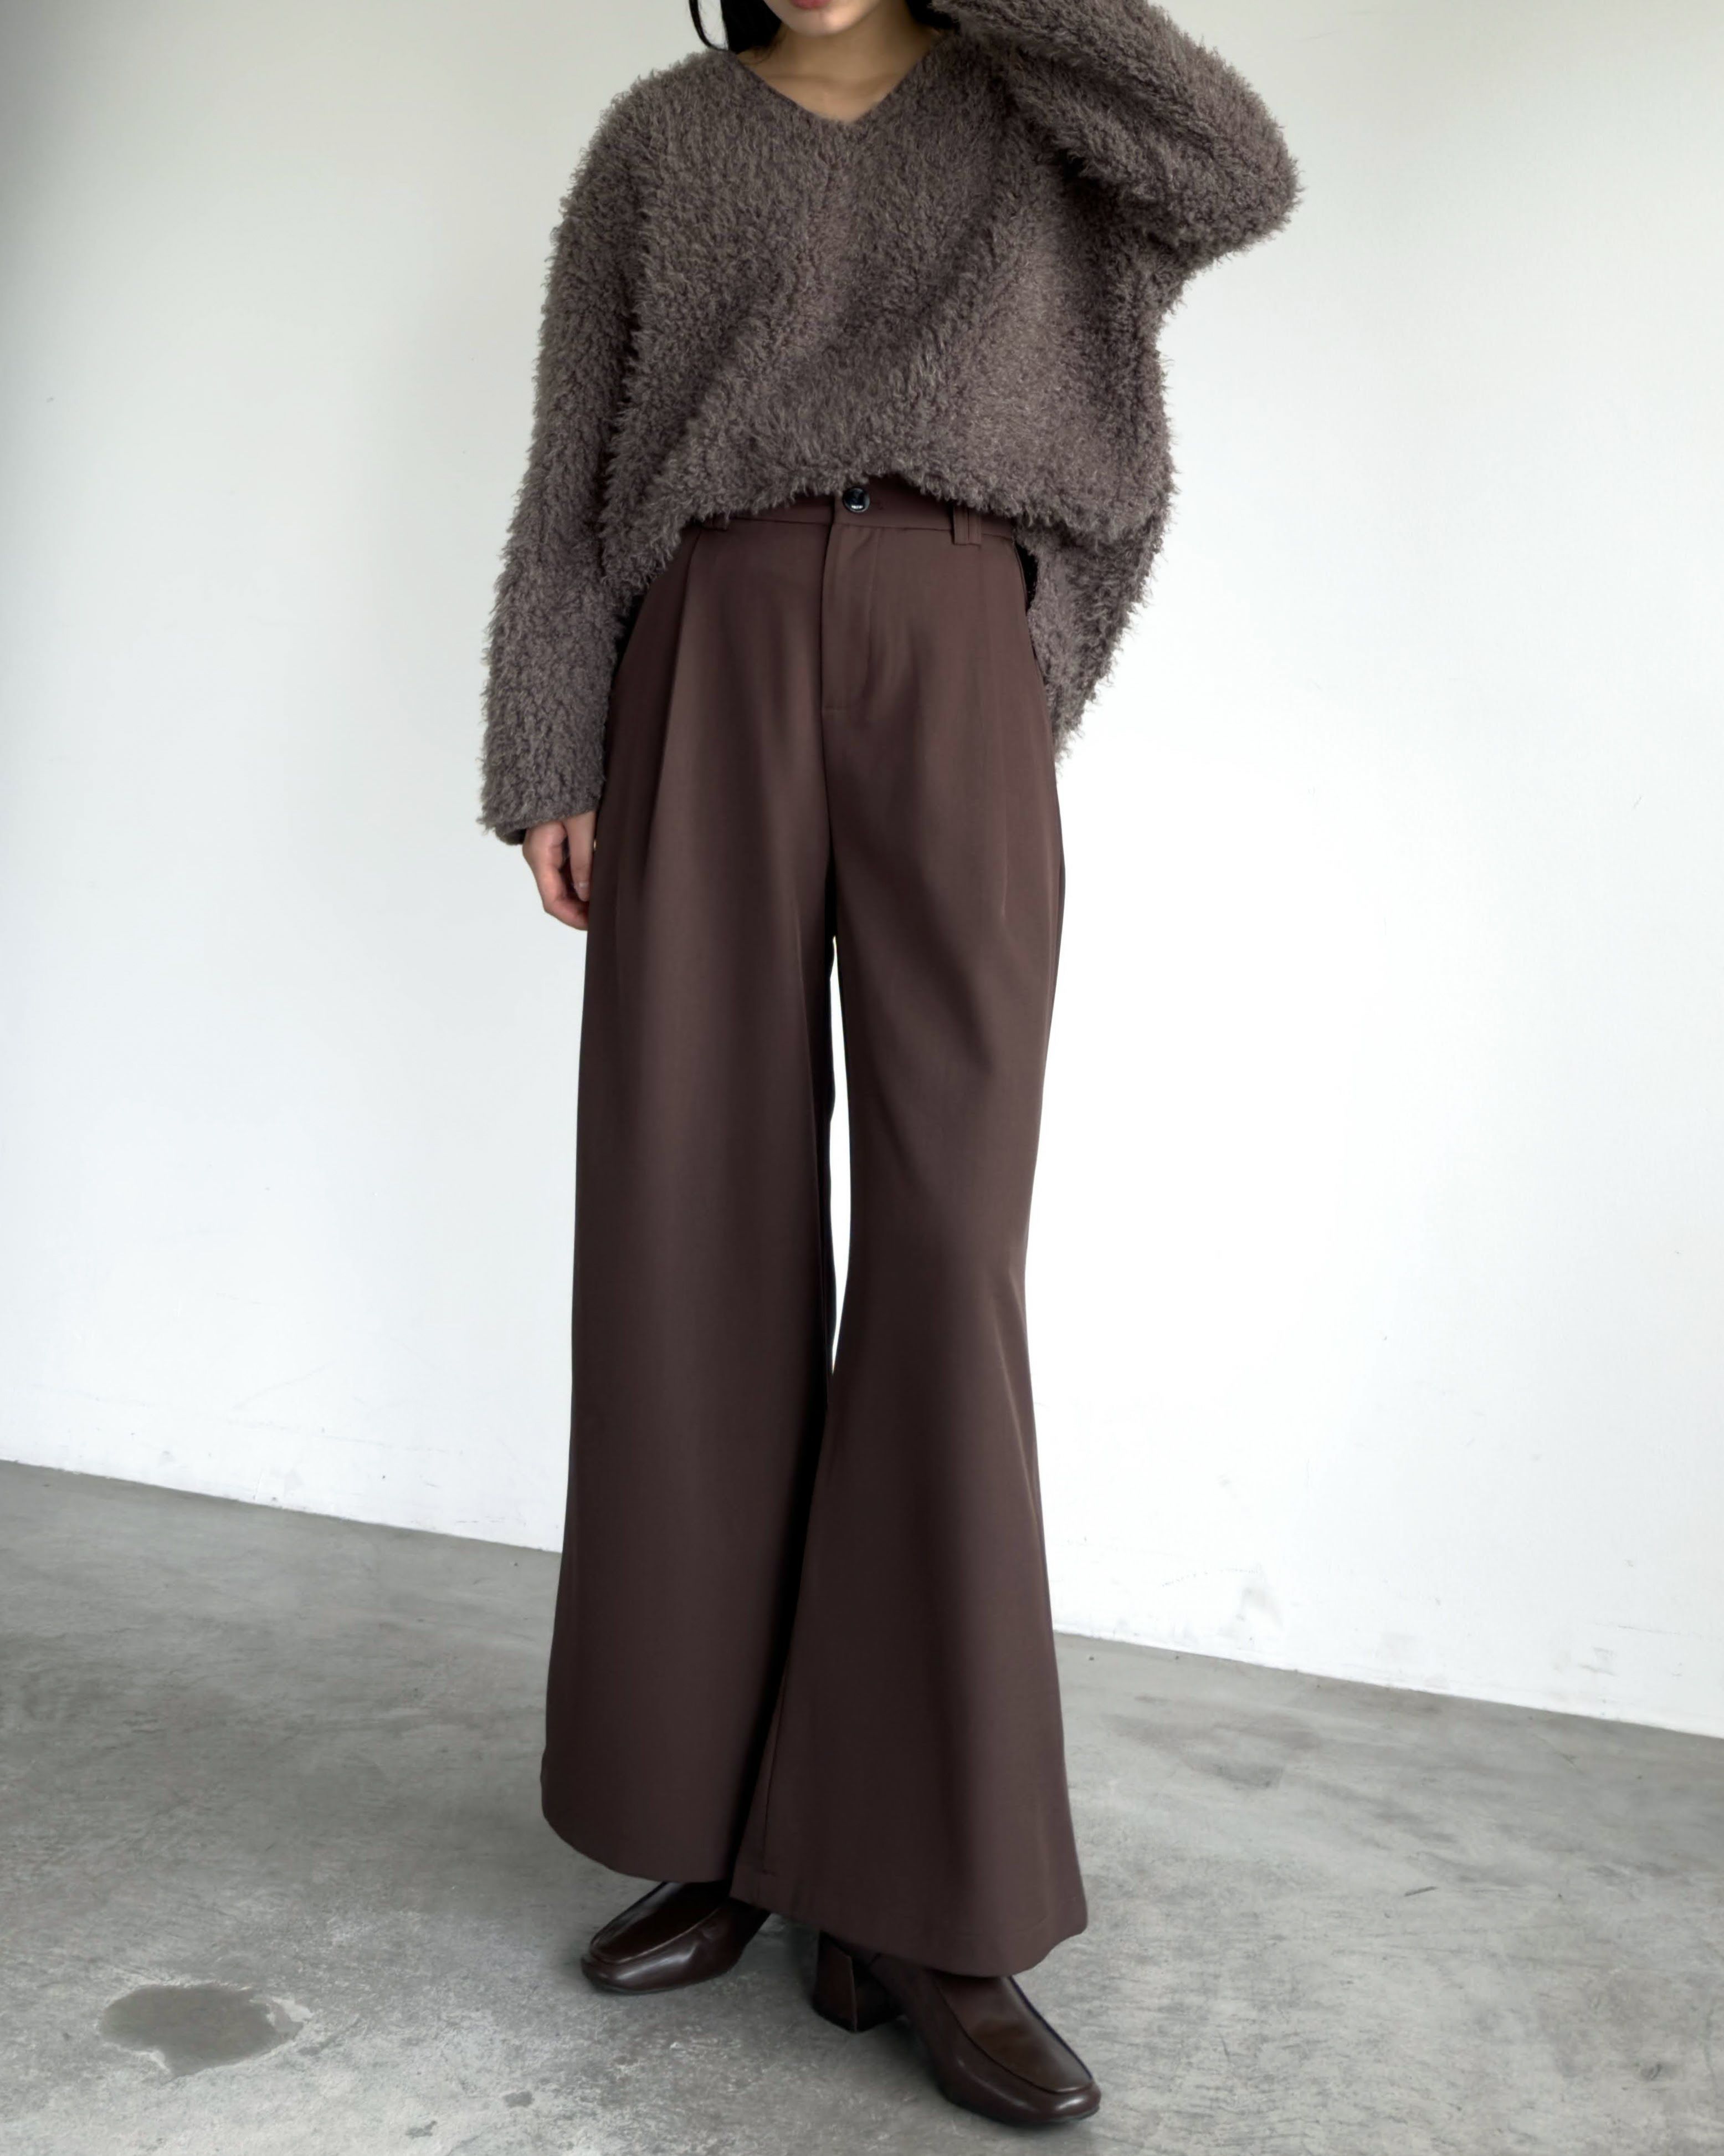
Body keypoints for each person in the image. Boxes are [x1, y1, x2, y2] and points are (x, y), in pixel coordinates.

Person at [479, 0, 1295, 2126]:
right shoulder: (663, 142)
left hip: (953, 638)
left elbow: (1235, 174)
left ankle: (927, 1898)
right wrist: (550, 744)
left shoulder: (1033, 100)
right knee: (693, 1224)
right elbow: (572, 464)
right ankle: (718, 1825)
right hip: (709, 643)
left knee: (948, 1251)